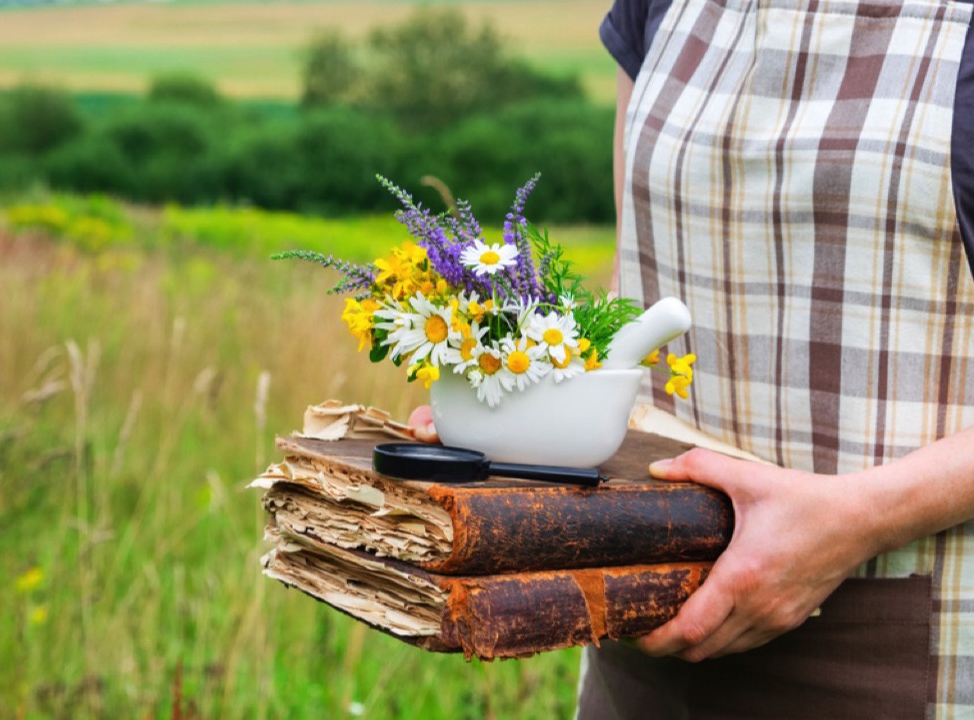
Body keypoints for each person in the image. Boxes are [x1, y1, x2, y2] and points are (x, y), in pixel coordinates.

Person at [411, 0, 974, 715]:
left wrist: (855, 518)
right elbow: (635, 273)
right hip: (646, 645)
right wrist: (525, 408)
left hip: (903, 652)